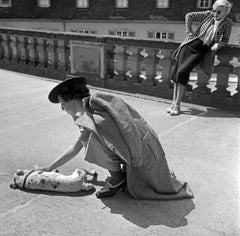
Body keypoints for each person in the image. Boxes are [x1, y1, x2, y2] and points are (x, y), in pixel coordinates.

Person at [38, 76, 193, 200]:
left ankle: (116, 178)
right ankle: (122, 175)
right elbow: (74, 148)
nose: (62, 108)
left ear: (70, 99)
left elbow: (126, 129)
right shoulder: (94, 109)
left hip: (145, 159)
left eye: (61, 103)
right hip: (149, 154)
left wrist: (136, 165)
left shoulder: (95, 113)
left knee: (91, 140)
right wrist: (50, 167)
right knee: (91, 137)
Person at [168, 0, 233, 115]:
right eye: (214, 10)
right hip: (188, 46)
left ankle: (177, 105)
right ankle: (174, 104)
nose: (215, 14)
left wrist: (218, 45)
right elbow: (189, 16)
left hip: (200, 52)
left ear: (225, 13)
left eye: (218, 12)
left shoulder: (228, 23)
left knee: (183, 72)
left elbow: (225, 40)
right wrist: (189, 31)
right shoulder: (208, 15)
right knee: (177, 74)